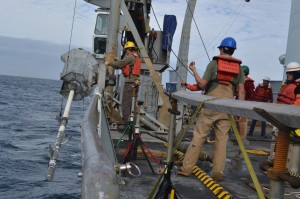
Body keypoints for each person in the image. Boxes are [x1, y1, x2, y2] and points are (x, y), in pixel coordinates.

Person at [176, 37, 245, 182]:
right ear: (233, 51)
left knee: (199, 136)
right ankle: (218, 174)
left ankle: (187, 168)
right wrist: (240, 111)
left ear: (221, 49)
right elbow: (241, 91)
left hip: (210, 106)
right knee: (221, 142)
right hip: (226, 108)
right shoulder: (238, 68)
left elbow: (201, 85)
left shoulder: (214, 64)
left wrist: (194, 70)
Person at [260, 62, 300, 171]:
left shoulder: (298, 88)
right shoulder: (285, 85)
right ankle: (273, 160)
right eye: (287, 74)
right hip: (279, 119)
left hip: (289, 122)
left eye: (290, 74)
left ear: (296, 74)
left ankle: (288, 168)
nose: (288, 76)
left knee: (290, 145)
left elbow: (297, 106)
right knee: (275, 142)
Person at [105, 41, 141, 130]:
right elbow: (125, 66)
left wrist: (109, 63)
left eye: (125, 50)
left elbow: (119, 65)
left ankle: (126, 124)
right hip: (135, 82)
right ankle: (133, 125)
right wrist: (119, 61)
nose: (125, 52)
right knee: (132, 104)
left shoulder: (130, 56)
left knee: (126, 103)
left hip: (130, 83)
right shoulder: (136, 56)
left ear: (128, 49)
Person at [236, 65, 255, 140]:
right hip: (237, 103)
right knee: (237, 121)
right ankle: (238, 137)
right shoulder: (239, 81)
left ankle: (242, 138)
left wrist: (248, 104)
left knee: (243, 122)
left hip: (244, 105)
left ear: (244, 72)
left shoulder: (249, 82)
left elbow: (252, 95)